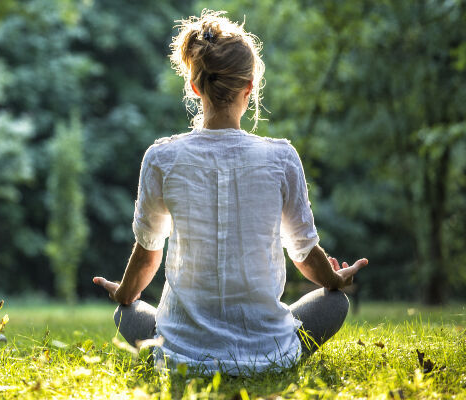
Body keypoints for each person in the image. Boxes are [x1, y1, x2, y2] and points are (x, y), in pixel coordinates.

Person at [92, 10, 368, 375]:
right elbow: (303, 253)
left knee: (124, 312)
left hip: (182, 359)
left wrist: (124, 293)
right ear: (249, 87)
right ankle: (274, 355)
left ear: (194, 86)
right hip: (267, 354)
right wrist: (335, 280)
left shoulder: (161, 158)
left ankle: (177, 346)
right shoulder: (281, 157)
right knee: (335, 305)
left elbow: (147, 256)